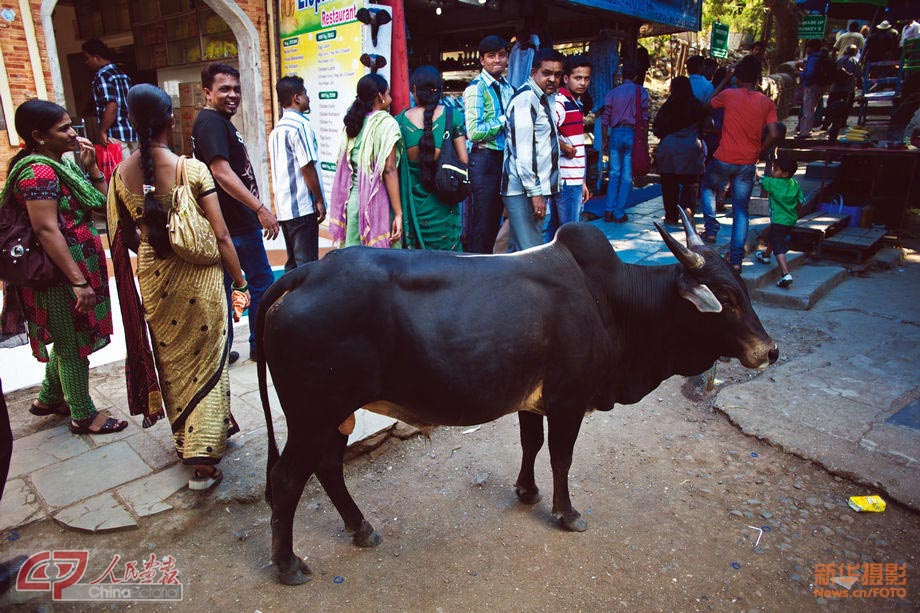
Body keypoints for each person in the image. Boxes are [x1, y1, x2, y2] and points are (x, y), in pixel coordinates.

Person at [108, 84, 250, 489]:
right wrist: (240, 280)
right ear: (170, 119)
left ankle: (197, 432)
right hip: (199, 278)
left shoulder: (120, 174)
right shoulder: (192, 170)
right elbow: (221, 236)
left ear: (132, 123)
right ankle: (202, 462)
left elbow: (130, 241)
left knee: (174, 365)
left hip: (155, 276)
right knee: (208, 358)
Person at [0, 99, 126, 435]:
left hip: (71, 271)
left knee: (68, 336)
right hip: (57, 276)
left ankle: (49, 398)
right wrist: (78, 282)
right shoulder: (38, 172)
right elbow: (45, 230)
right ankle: (83, 415)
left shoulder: (62, 165)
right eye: (64, 129)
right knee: (72, 343)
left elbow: (104, 204)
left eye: (71, 125)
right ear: (39, 136)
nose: (73, 133)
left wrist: (93, 168)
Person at [192, 63, 278, 364]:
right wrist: (260, 208)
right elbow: (222, 173)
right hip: (234, 226)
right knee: (261, 285)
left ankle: (224, 350)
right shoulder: (211, 123)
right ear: (207, 92)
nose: (233, 95)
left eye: (236, 89)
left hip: (234, 224)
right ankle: (261, 346)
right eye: (224, 89)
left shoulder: (216, 122)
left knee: (229, 288)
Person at [700, 56, 782, 270]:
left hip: (724, 157)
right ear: (757, 78)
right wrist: (760, 150)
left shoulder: (728, 95)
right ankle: (736, 261)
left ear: (738, 76)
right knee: (741, 210)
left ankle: (710, 229)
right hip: (747, 162)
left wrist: (725, 79)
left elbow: (707, 104)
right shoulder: (766, 102)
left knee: (708, 187)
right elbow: (774, 133)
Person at [396, 66, 467, 251]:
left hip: (413, 209)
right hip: (444, 204)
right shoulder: (453, 116)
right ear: (440, 90)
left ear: (413, 90)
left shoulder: (399, 122)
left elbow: (391, 168)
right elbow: (463, 160)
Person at [328, 74, 403, 249]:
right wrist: (398, 213)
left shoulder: (354, 122)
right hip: (377, 202)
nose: (391, 98)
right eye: (388, 93)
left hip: (352, 204)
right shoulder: (386, 124)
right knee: (381, 264)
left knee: (354, 263)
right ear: (380, 96)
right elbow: (389, 170)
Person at [500, 48, 564, 250]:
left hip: (529, 189)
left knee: (517, 253)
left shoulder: (543, 98)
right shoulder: (526, 100)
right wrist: (535, 194)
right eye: (547, 73)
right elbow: (523, 155)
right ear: (533, 71)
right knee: (532, 254)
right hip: (524, 190)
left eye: (557, 74)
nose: (553, 79)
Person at [268, 76, 326, 270]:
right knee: (306, 266)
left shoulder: (277, 130)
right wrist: (319, 200)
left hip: (285, 209)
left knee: (293, 264)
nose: (308, 98)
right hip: (302, 207)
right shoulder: (300, 127)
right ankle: (305, 300)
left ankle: (290, 299)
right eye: (305, 94)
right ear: (297, 98)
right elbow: (307, 167)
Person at [463, 35, 513, 253]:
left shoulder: (507, 86)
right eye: (491, 56)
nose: (497, 60)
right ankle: (476, 273)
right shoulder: (477, 88)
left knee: (496, 220)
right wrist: (504, 119)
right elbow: (474, 132)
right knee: (483, 223)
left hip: (504, 160)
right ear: (482, 60)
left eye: (502, 55)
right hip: (484, 160)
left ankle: (491, 268)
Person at [545, 55, 591, 242]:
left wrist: (583, 181)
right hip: (566, 180)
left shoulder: (574, 103)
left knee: (557, 231)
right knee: (570, 234)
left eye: (586, 78)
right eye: (577, 78)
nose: (582, 83)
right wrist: (564, 147)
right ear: (566, 78)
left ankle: (548, 268)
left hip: (572, 178)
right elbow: (543, 130)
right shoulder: (561, 102)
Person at [653, 76, 708, 225]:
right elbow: (706, 127)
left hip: (669, 149)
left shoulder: (668, 106)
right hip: (690, 147)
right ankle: (687, 211)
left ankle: (671, 215)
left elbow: (657, 128)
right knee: (690, 183)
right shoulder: (698, 106)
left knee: (669, 183)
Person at [600, 62, 649, 223]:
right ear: (635, 76)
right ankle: (619, 212)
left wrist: (605, 139)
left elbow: (605, 118)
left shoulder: (613, 93)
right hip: (632, 133)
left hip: (615, 133)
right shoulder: (640, 91)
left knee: (614, 174)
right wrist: (644, 139)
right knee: (627, 176)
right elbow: (645, 116)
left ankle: (608, 210)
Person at [82, 38, 138, 157]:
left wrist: (102, 130)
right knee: (135, 171)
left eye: (87, 58)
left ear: (96, 56)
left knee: (121, 173)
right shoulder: (123, 74)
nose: (86, 62)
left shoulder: (102, 76)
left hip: (116, 134)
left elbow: (112, 106)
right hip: (131, 132)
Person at [754, 159, 804, 289]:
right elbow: (801, 201)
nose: (772, 171)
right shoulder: (794, 184)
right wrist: (795, 215)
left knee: (778, 245)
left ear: (785, 173)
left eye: (775, 169)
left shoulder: (774, 183)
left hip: (778, 220)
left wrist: (753, 165)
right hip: (790, 220)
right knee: (773, 236)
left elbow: (759, 178)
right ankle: (765, 255)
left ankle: (785, 273)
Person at [823, 44, 861, 141]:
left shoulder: (839, 60)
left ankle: (826, 123)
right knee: (845, 107)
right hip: (847, 89)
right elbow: (859, 76)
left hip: (835, 88)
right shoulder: (855, 61)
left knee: (830, 106)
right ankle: (842, 122)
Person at [798, 39, 826, 138]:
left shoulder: (813, 59)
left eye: (808, 47)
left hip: (811, 86)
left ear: (812, 48)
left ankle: (805, 132)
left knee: (808, 110)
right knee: (811, 109)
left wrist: (800, 73)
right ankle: (806, 129)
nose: (807, 50)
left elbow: (809, 74)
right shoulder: (820, 57)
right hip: (818, 86)